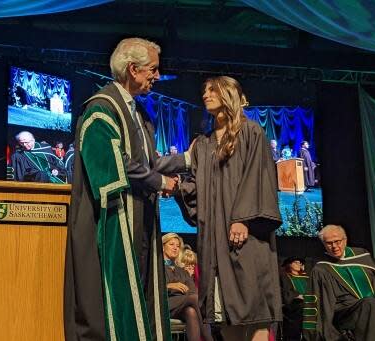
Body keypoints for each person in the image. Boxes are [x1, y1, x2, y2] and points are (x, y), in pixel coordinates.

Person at [65, 37, 190, 341]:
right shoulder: (101, 110)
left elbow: (149, 162)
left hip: (141, 219)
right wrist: (160, 182)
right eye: (153, 70)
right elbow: (115, 163)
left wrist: (187, 159)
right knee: (114, 299)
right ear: (133, 69)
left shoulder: (139, 114)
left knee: (144, 290)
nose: (157, 76)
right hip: (111, 221)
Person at [176, 76, 282, 341]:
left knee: (254, 307)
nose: (205, 95)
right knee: (223, 311)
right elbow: (198, 191)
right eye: (204, 91)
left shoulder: (251, 132)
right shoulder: (204, 144)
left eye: (212, 90)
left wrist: (242, 219)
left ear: (229, 95)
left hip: (247, 236)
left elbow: (258, 178)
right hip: (215, 240)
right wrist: (176, 187)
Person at [163, 233, 212, 341]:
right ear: (162, 246)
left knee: (191, 311)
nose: (175, 248)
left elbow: (192, 290)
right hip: (165, 304)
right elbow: (150, 290)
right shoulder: (157, 269)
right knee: (194, 298)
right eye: (171, 244)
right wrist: (169, 286)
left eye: (177, 246)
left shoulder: (181, 271)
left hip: (182, 305)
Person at [280, 257, 307, 341]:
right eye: (296, 262)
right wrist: (298, 295)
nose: (299, 264)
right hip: (293, 307)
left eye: (300, 263)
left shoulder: (307, 277)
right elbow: (286, 292)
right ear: (289, 265)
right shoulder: (285, 277)